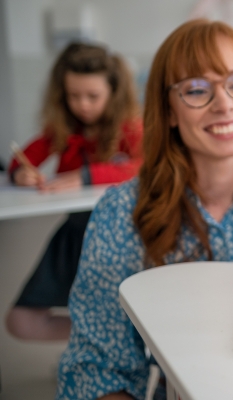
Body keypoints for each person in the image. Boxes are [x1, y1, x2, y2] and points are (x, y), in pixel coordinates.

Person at [55, 19, 233, 399]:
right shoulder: (122, 212)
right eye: (197, 90)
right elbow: (96, 369)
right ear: (168, 111)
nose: (225, 103)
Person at [5, 42, 143, 341]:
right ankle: (99, 340)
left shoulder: (130, 128)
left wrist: (87, 176)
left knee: (130, 308)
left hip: (123, 236)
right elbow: (20, 159)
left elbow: (146, 165)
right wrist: (21, 172)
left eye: (93, 96)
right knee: (20, 321)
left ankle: (112, 344)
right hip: (75, 235)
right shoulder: (63, 131)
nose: (83, 104)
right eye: (73, 96)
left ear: (113, 93)